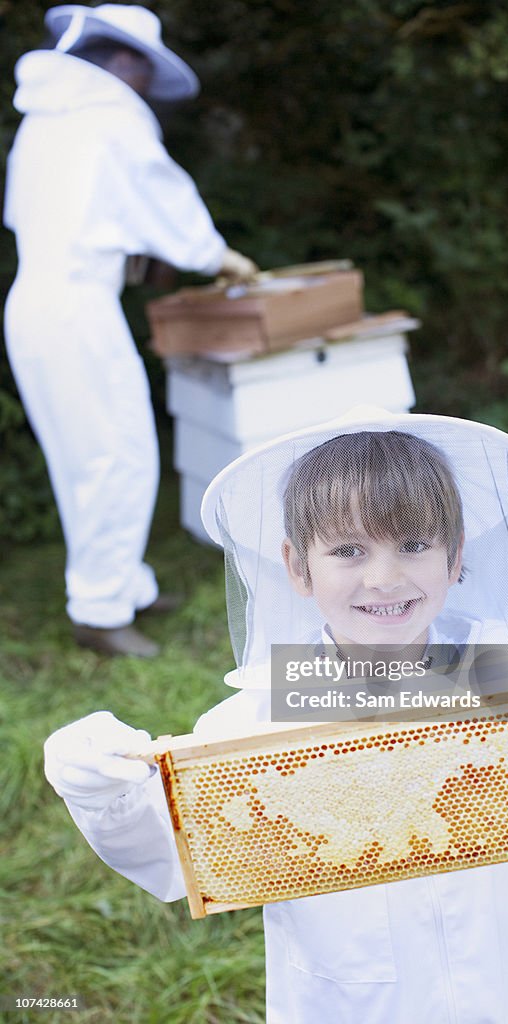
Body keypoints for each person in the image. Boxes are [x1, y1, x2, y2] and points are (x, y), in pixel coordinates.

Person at [43, 407, 508, 1023]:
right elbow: (169, 845)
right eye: (348, 550)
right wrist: (98, 783)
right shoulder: (257, 722)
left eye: (412, 544)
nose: (383, 578)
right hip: (357, 1003)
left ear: (456, 557)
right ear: (297, 566)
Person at [4, 4, 258, 658]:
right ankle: (100, 611)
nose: (145, 86)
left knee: (92, 453)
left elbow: (80, 217)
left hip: (41, 302)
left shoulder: (49, 122)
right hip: (74, 307)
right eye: (143, 70)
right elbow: (162, 197)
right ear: (122, 61)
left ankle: (125, 586)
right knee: (112, 457)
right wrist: (217, 254)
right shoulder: (108, 120)